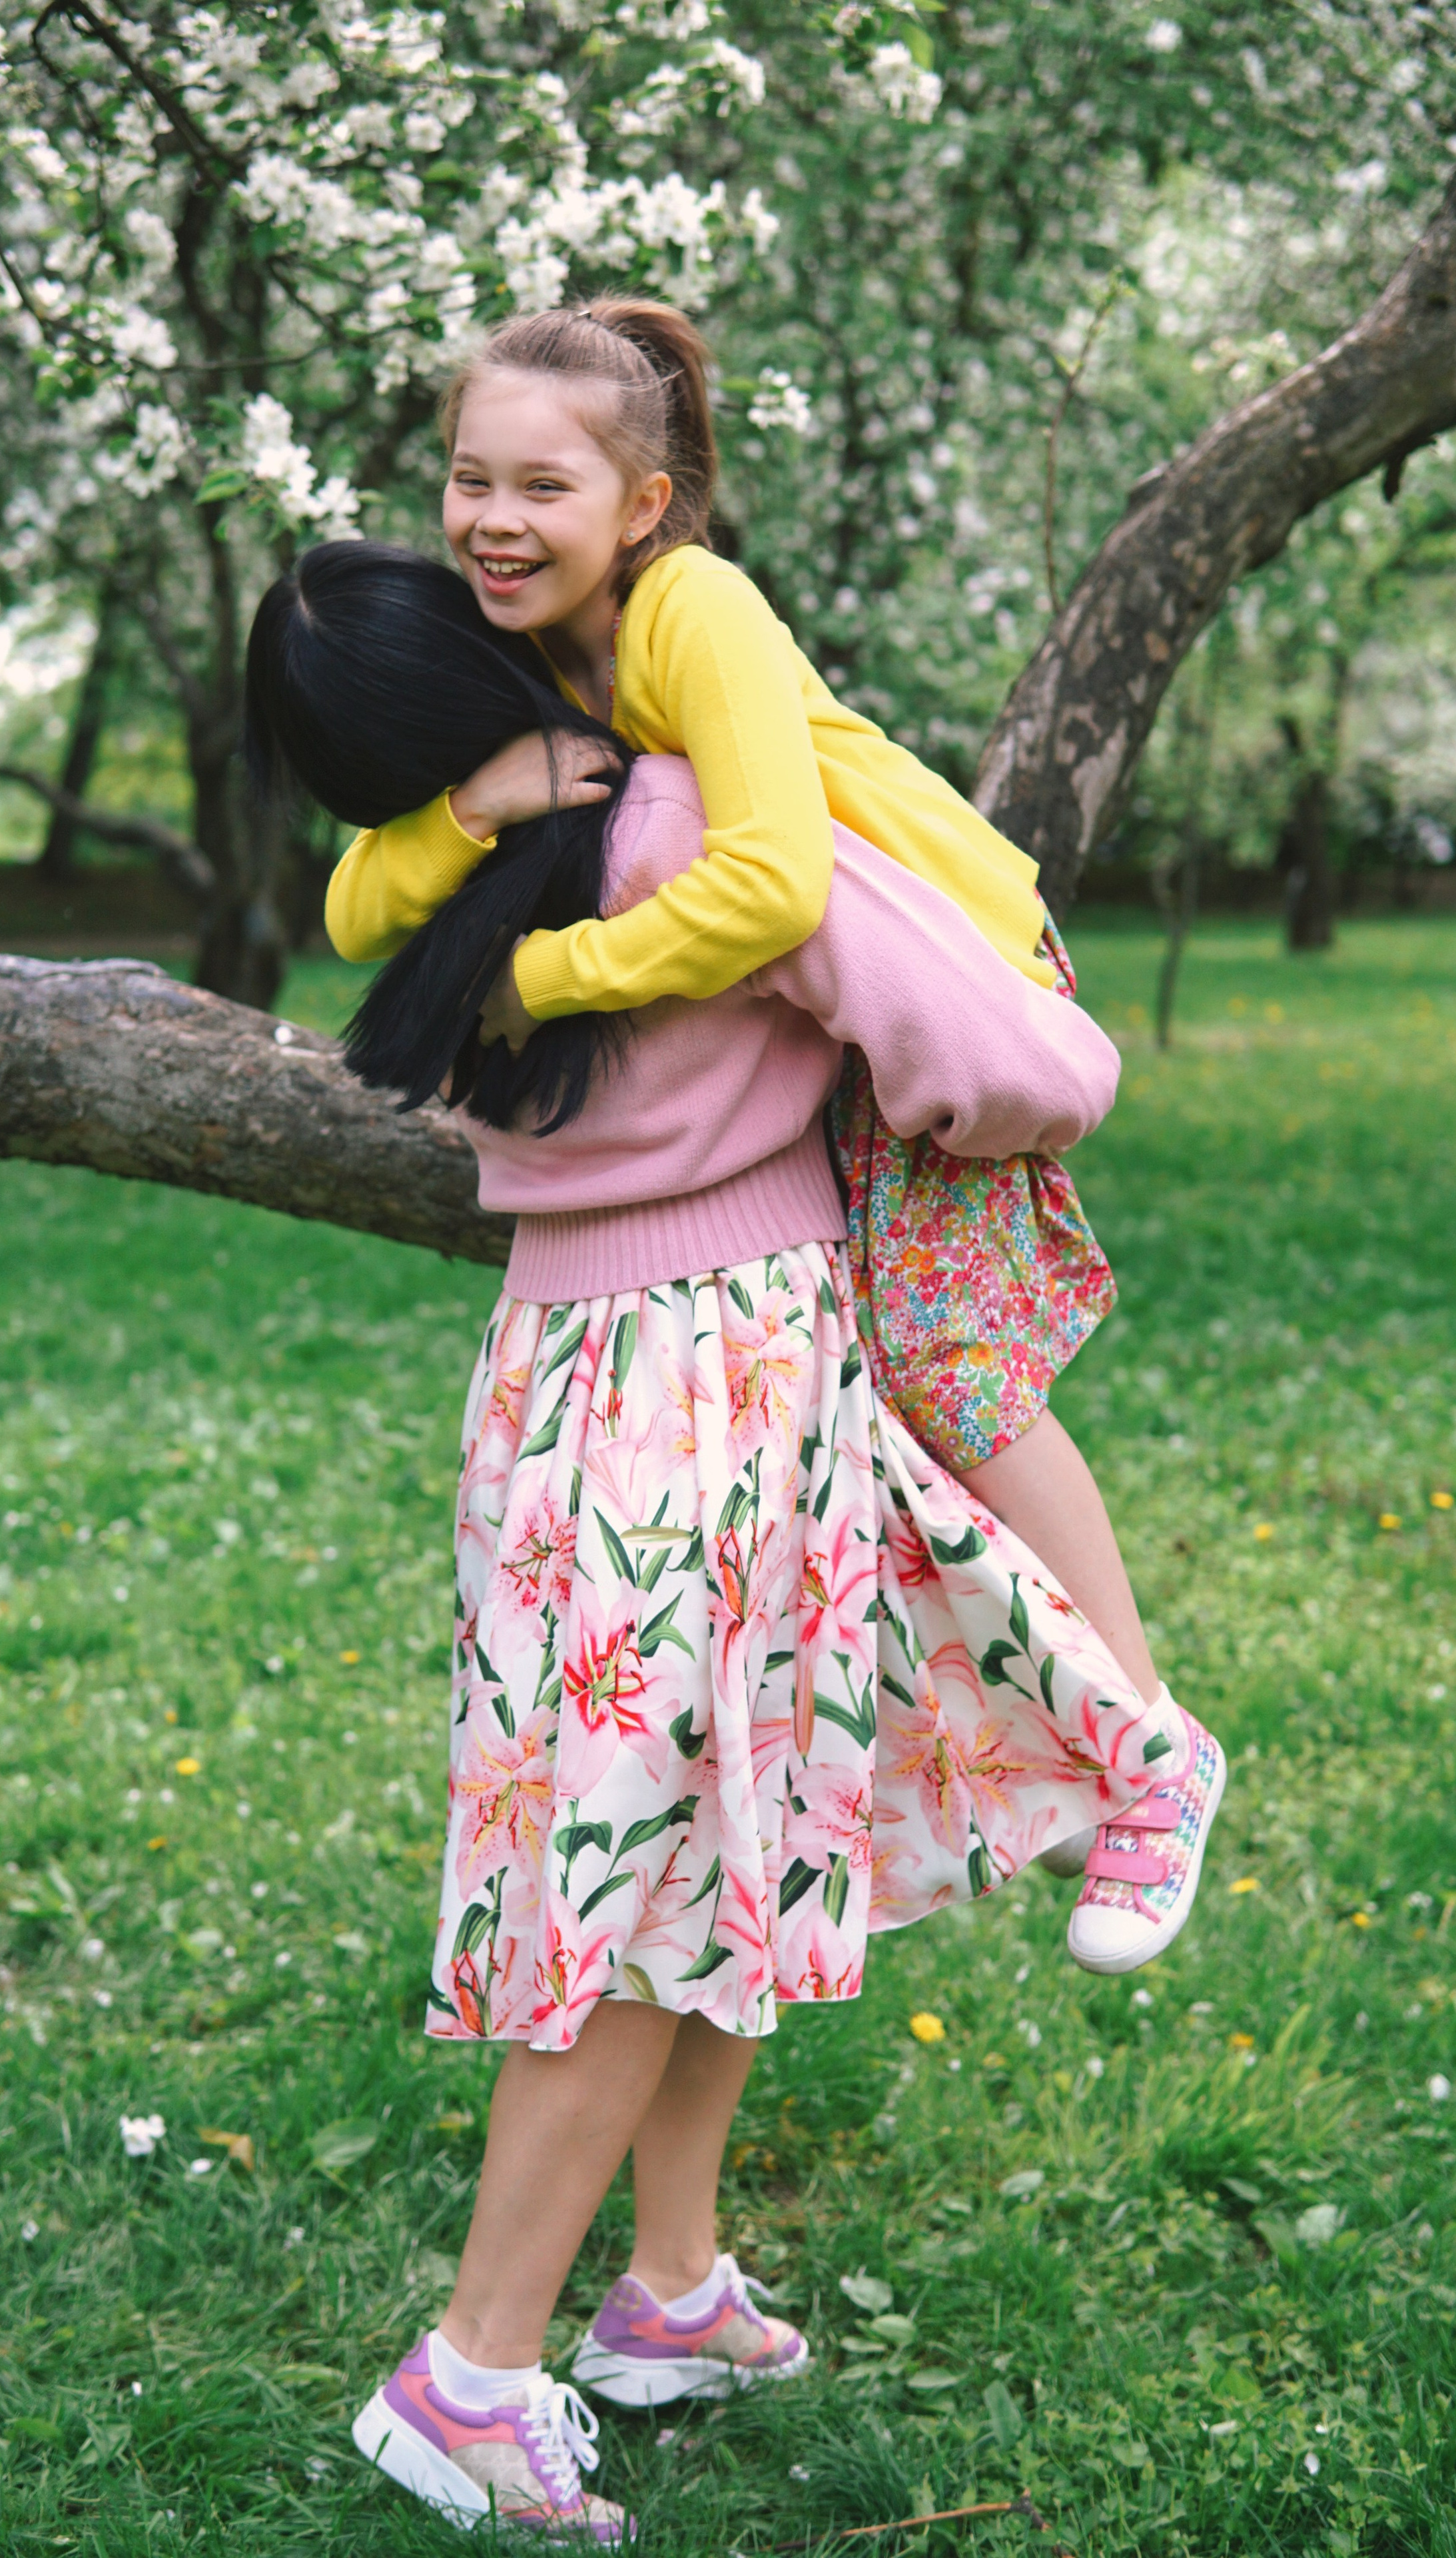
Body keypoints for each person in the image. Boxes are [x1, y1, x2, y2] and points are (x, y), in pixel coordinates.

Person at [247, 544, 1227, 2543]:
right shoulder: (686, 826)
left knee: (727, 1838)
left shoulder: (447, 887)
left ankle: (669, 2292)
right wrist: (933, 1102)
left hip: (560, 1381)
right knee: (650, 1884)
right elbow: (1037, 1066)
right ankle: (472, 2372)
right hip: (717, 1379)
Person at [324, 297, 1191, 1958]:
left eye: (540, 489)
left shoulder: (690, 610)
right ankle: (1013, 1733)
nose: (492, 522)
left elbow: (771, 882)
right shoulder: (520, 649)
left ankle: (1151, 1748)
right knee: (844, 1415)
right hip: (797, 1021)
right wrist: (469, 807)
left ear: (639, 505)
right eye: (464, 480)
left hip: (937, 974)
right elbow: (359, 902)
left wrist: (549, 977)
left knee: (945, 1371)